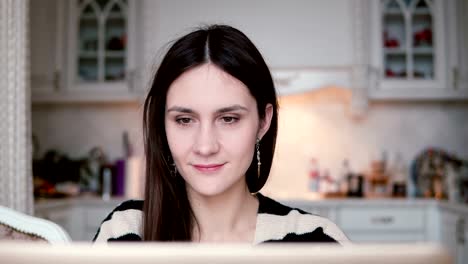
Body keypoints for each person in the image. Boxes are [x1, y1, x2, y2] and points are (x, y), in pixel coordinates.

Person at [93, 24, 349, 244]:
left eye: (228, 119)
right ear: (163, 125)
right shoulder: (125, 232)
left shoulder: (316, 240)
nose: (205, 146)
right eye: (184, 120)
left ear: (263, 121)